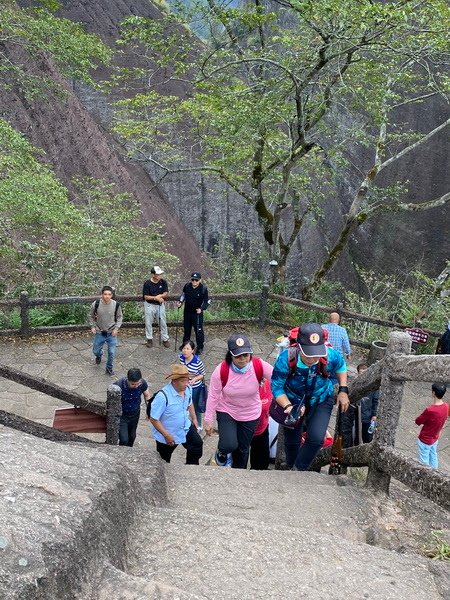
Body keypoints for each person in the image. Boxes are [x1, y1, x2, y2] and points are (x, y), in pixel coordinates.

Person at [271, 322, 349, 471]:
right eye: (308, 353)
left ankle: (297, 470)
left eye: (316, 354)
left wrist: (343, 390)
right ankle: (292, 467)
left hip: (321, 397)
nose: (313, 359)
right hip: (293, 400)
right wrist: (288, 406)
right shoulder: (286, 359)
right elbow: (276, 386)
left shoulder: (329, 355)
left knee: (316, 438)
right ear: (299, 346)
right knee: (292, 442)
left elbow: (341, 366)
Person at [204, 333, 273, 469]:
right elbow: (213, 395)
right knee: (228, 444)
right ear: (230, 355)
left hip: (250, 413)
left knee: (242, 449)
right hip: (227, 410)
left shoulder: (259, 365)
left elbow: (278, 379)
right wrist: (208, 419)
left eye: (246, 355)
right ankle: (222, 453)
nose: (242, 359)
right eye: (238, 356)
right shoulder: (221, 370)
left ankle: (238, 474)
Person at [149, 364, 203, 464]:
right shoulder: (162, 396)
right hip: (168, 434)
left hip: (185, 427)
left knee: (197, 445)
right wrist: (166, 435)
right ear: (174, 381)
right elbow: (153, 419)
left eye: (187, 380)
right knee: (164, 461)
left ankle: (190, 468)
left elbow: (190, 403)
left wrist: (194, 418)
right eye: (183, 381)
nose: (186, 383)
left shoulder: (188, 389)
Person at [342, 363, 380, 447]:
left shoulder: (373, 386)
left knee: (367, 437)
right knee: (353, 435)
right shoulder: (354, 384)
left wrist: (374, 414)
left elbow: (375, 401)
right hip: (354, 415)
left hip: (367, 415)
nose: (363, 375)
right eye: (361, 373)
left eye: (365, 373)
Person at [89, 285, 123, 376]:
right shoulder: (96, 304)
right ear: (101, 294)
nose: (107, 296)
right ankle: (99, 355)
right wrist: (92, 326)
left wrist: (116, 328)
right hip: (100, 332)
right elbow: (91, 316)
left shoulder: (116, 305)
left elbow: (120, 317)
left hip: (111, 332)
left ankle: (109, 368)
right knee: (95, 351)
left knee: (112, 352)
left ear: (111, 295)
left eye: (109, 294)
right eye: (105, 294)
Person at [114, 368, 151, 447]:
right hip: (122, 415)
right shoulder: (118, 385)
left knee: (132, 437)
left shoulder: (142, 383)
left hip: (135, 414)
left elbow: (147, 395)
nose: (136, 386)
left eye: (138, 383)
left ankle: (129, 453)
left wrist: (149, 410)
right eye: (133, 384)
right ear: (128, 380)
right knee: (124, 439)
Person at [415, 383, 448, 468]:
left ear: (433, 393)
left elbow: (418, 421)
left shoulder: (430, 410)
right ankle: (436, 473)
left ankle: (425, 478)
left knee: (424, 461)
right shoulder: (446, 406)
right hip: (435, 437)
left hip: (425, 439)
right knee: (433, 456)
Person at [177, 272, 209, 355]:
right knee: (187, 330)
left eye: (196, 280)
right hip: (187, 312)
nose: (194, 281)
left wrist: (201, 309)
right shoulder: (187, 286)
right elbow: (183, 295)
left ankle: (200, 347)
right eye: (193, 279)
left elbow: (207, 301)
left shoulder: (203, 289)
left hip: (197, 314)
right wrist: (180, 302)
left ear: (200, 280)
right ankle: (185, 346)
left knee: (198, 331)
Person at [178, 340, 206, 429]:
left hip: (195, 388)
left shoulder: (197, 361)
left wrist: (195, 379)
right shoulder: (181, 358)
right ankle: (186, 422)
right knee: (184, 404)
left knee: (195, 406)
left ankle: (198, 425)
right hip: (184, 387)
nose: (185, 351)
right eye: (184, 348)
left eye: (187, 349)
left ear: (192, 350)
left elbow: (202, 374)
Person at [142, 266, 170, 348]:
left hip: (160, 305)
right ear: (153, 275)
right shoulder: (147, 283)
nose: (159, 276)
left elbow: (166, 293)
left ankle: (165, 339)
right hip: (149, 305)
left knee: (162, 322)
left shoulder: (163, 282)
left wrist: (160, 296)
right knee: (148, 322)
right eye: (157, 274)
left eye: (160, 274)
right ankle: (149, 339)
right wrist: (155, 298)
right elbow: (146, 296)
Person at [249, 378, 272, 470]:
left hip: (262, 425)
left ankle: (258, 469)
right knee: (240, 455)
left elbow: (267, 406)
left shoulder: (267, 383)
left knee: (261, 459)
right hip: (242, 424)